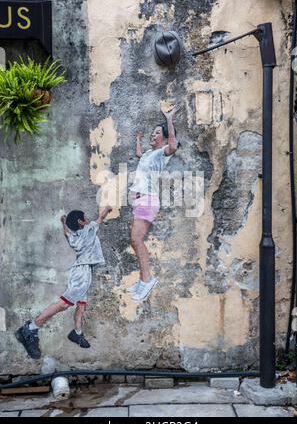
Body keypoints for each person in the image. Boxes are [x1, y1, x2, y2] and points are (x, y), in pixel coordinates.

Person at [16, 205, 112, 359]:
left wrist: (63, 223)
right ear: (81, 222)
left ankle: (77, 332)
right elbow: (100, 218)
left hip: (84, 270)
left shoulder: (75, 236)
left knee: (81, 304)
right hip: (82, 272)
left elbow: (67, 234)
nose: (89, 219)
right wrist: (107, 209)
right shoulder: (89, 230)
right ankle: (31, 327)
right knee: (64, 303)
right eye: (86, 217)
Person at [127, 105, 180, 303]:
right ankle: (143, 280)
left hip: (148, 200)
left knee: (136, 240)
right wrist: (139, 140)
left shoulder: (161, 154)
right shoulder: (150, 154)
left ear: (164, 138)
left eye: (157, 133)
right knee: (135, 241)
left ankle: (147, 280)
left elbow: (173, 146)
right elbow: (140, 156)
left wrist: (169, 120)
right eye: (153, 132)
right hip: (141, 201)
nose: (153, 134)